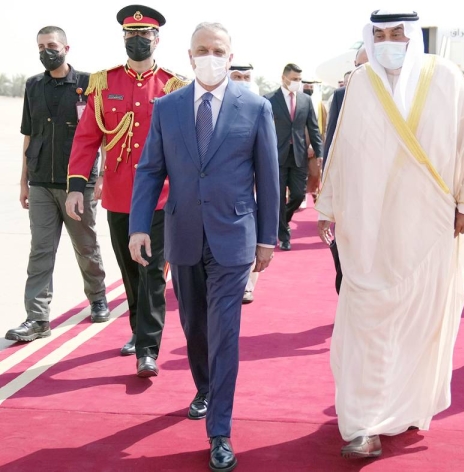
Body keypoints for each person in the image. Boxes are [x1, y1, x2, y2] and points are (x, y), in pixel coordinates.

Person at [315, 9, 464, 459]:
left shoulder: (446, 78)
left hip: (429, 223)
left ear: (413, 36)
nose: (390, 41)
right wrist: (329, 206)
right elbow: (341, 150)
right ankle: (363, 425)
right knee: (367, 321)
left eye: (398, 33)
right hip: (368, 226)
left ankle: (405, 409)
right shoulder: (360, 83)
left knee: (418, 323)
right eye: (381, 34)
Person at [128, 22, 279, 472]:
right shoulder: (168, 107)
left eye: (218, 50)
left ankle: (220, 430)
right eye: (202, 50)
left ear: (230, 56)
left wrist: (267, 238)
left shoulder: (254, 107)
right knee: (195, 326)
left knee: (225, 332)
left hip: (234, 238)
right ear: (190, 56)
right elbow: (150, 170)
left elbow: (267, 179)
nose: (210, 56)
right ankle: (205, 386)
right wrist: (139, 225)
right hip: (184, 234)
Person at [65, 4, 189, 376]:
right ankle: (138, 332)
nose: (137, 41)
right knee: (130, 270)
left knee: (152, 272)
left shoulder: (173, 86)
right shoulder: (104, 83)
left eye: (144, 35)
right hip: (119, 194)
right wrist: (76, 187)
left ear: (157, 39)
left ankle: (147, 349)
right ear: (124, 39)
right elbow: (87, 139)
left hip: (159, 198)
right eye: (131, 36)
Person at [5, 26, 109, 343]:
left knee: (86, 246)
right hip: (40, 183)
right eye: (41, 46)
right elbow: (29, 134)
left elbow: (101, 133)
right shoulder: (33, 86)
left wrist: (102, 175)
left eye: (51, 45)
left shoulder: (88, 84)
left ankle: (98, 297)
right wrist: (23, 181)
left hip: (77, 184)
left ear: (66, 48)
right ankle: (37, 318)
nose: (46, 50)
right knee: (40, 251)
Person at [322, 46, 368, 294]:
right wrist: (326, 199)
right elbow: (331, 147)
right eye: (360, 67)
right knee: (346, 256)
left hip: (390, 198)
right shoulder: (342, 96)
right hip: (350, 193)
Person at [264, 64, 323, 251]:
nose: (297, 82)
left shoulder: (305, 100)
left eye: (299, 79)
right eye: (294, 79)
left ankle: (282, 221)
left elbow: (313, 127)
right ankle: (284, 235)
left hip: (299, 155)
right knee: (279, 197)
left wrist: (319, 152)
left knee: (298, 195)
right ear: (284, 78)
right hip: (276, 156)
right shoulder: (269, 100)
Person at [228, 61, 260, 304]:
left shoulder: (259, 106)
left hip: (253, 187)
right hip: (226, 188)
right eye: (236, 75)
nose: (241, 80)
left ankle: (248, 284)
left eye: (245, 76)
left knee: (251, 238)